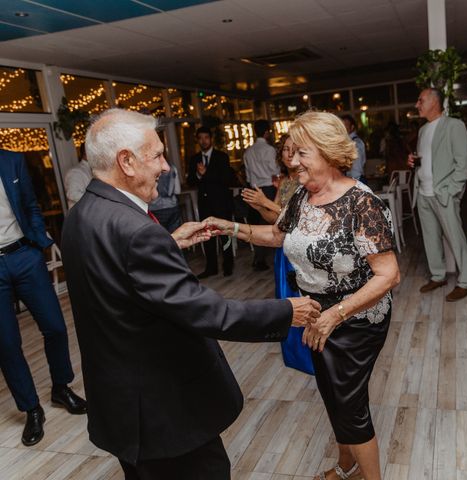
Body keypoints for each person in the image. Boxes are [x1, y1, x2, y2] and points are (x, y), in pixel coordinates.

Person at [61, 109, 321, 480]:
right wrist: (285, 312)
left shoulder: (81, 215)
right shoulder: (136, 231)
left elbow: (114, 281)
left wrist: (167, 244)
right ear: (126, 161)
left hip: (120, 405)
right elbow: (208, 312)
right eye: (157, 156)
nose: (165, 167)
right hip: (164, 412)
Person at [209, 111, 400, 480]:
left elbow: (389, 275)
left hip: (356, 317)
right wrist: (228, 227)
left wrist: (336, 315)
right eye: (291, 153)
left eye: (301, 153)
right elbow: (278, 236)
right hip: (316, 313)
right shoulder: (302, 196)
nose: (291, 162)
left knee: (350, 402)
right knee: (331, 393)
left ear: (328, 152)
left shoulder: (362, 204)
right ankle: (347, 468)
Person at [0, 148, 86, 447]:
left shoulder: (12, 160)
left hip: (24, 255)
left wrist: (38, 242)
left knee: (55, 327)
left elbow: (30, 203)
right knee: (7, 344)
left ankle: (61, 388)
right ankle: (31, 409)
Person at [242, 134, 313, 375]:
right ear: (280, 155)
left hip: (302, 251)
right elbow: (276, 222)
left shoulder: (308, 180)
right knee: (288, 303)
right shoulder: (283, 182)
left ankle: (313, 356)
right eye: (285, 149)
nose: (289, 153)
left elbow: (300, 217)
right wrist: (260, 206)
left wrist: (267, 202)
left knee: (308, 303)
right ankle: (295, 355)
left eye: (295, 149)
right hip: (283, 251)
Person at [408, 88, 467, 302]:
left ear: (434, 102)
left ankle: (464, 282)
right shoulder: (423, 130)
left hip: (443, 193)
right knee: (430, 238)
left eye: (421, 100)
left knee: (455, 237)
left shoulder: (454, 126)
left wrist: (452, 190)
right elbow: (426, 159)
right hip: (424, 193)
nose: (417, 105)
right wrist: (413, 163)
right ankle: (438, 275)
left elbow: (464, 163)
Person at [187, 126, 235, 277]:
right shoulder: (194, 159)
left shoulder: (222, 157)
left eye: (206, 138)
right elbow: (190, 181)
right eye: (200, 138)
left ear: (211, 139)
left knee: (224, 235)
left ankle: (228, 266)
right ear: (198, 140)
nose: (203, 141)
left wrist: (206, 174)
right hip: (205, 204)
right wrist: (199, 176)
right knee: (207, 237)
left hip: (221, 204)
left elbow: (226, 179)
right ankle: (211, 268)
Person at [243, 119, 280, 271]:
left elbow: (247, 175)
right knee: (270, 224)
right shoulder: (269, 150)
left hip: (254, 189)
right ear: (266, 132)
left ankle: (259, 258)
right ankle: (262, 260)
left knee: (257, 226)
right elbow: (275, 171)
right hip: (268, 189)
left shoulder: (248, 151)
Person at [149, 162, 182, 233]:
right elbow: (177, 191)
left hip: (156, 208)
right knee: (177, 236)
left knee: (162, 239)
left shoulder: (148, 167)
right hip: (172, 206)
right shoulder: (172, 167)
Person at [64, 143, 92, 209]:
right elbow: (72, 194)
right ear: (86, 154)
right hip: (81, 216)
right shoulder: (76, 172)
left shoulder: (93, 170)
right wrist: (97, 200)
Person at [341, 114, 367, 182]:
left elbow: (357, 169)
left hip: (356, 180)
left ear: (352, 127)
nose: (343, 128)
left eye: (345, 125)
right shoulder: (348, 142)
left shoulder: (355, 143)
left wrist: (353, 183)